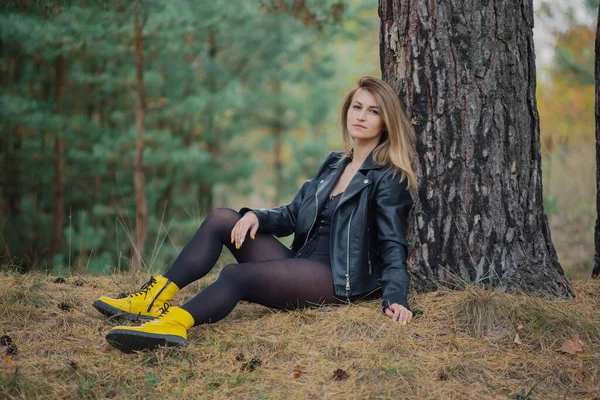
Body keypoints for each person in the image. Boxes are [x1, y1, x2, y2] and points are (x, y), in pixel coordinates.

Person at [94, 76, 417, 353]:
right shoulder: (335, 163)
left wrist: (395, 296)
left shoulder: (387, 177)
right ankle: (153, 298)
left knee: (235, 276)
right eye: (357, 107)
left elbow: (392, 243)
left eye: (373, 111)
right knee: (224, 218)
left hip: (335, 280)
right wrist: (256, 217)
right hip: (301, 261)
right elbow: (293, 214)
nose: (361, 116)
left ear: (385, 122)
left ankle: (174, 324)